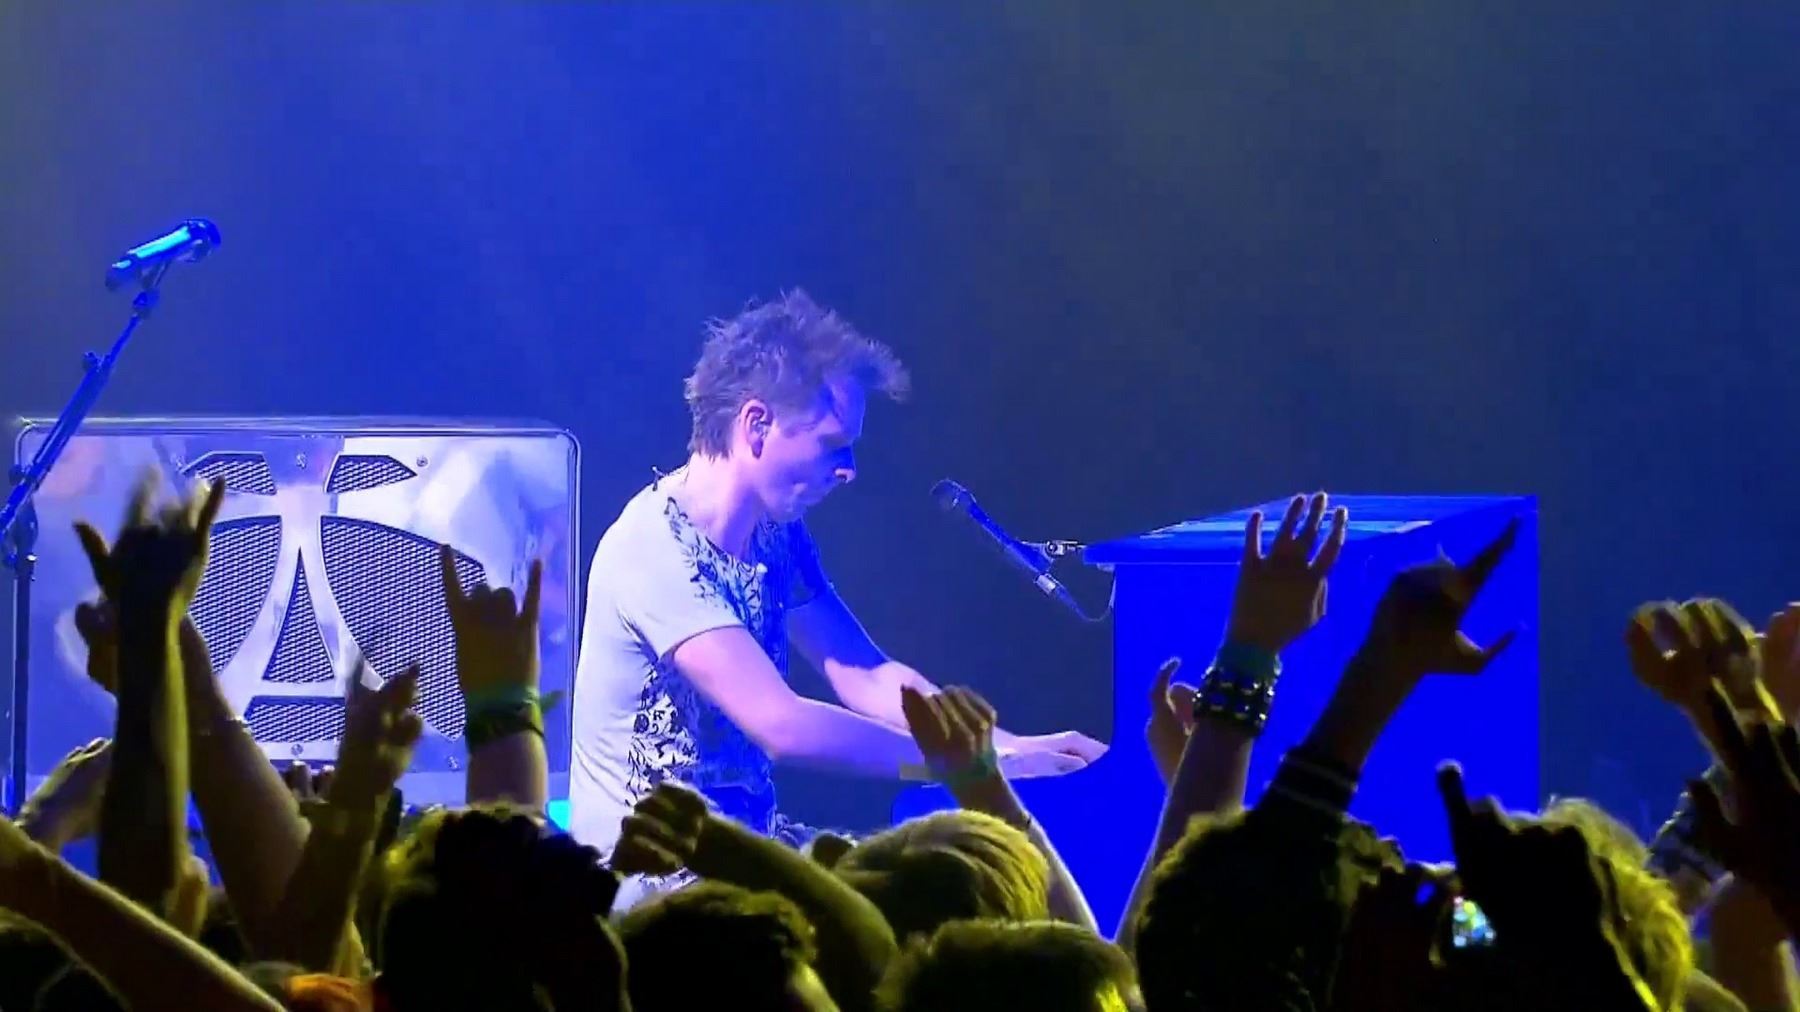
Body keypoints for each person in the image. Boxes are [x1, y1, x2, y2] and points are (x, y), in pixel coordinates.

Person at [568, 290, 1104, 903]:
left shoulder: (777, 534)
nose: (849, 469)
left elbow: (865, 674)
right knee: (928, 897)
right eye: (831, 443)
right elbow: (782, 725)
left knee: (953, 873)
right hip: (656, 882)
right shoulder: (653, 547)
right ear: (756, 424)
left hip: (746, 852)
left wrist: (1008, 746)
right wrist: (968, 768)